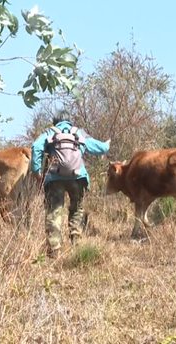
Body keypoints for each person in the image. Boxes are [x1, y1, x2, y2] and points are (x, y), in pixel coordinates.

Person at [30, 109, 110, 257]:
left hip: (54, 179)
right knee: (76, 211)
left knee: (54, 213)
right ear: (69, 121)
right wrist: (106, 145)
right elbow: (100, 148)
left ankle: (54, 251)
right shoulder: (78, 132)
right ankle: (77, 247)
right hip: (77, 178)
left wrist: (36, 172)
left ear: (55, 121)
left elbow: (36, 147)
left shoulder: (50, 132)